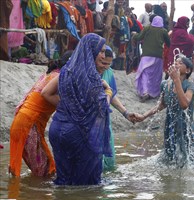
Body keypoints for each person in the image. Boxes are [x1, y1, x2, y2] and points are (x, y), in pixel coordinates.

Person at [41, 34, 113, 185]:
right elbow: (102, 108)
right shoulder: (91, 77)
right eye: (100, 51)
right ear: (90, 50)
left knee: (63, 182)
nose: (103, 55)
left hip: (57, 130)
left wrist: (69, 105)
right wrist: (108, 93)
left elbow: (46, 92)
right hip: (78, 134)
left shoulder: (67, 70)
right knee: (86, 186)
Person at [9, 50, 73, 177]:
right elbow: (51, 97)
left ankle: (22, 194)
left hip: (23, 124)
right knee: (47, 172)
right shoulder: (59, 78)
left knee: (45, 170)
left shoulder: (51, 74)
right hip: (28, 127)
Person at [135, 56, 194, 168]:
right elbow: (162, 105)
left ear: (187, 70)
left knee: (190, 158)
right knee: (169, 156)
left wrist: (177, 80)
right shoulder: (165, 84)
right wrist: (144, 116)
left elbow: (184, 104)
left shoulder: (190, 85)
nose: (176, 64)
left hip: (185, 128)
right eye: (175, 62)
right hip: (170, 126)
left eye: (180, 63)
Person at [100, 47, 137, 171]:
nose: (105, 67)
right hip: (89, 121)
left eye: (108, 64)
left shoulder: (109, 72)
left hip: (104, 119)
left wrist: (125, 113)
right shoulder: (87, 72)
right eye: (103, 63)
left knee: (109, 161)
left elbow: (112, 95)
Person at [132, 16, 170, 102]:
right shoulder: (164, 31)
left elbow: (139, 37)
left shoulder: (147, 28)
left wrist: (134, 35)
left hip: (146, 55)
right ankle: (153, 93)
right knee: (155, 76)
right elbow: (169, 43)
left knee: (145, 73)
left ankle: (145, 92)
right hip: (158, 57)